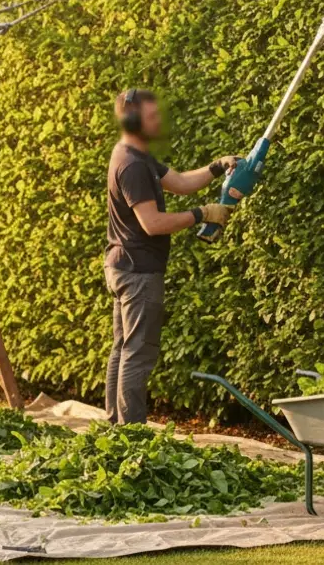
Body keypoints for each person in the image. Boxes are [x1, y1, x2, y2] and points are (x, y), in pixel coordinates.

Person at [104, 89, 237, 424]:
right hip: (138, 272)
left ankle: (114, 429)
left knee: (123, 350)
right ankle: (131, 435)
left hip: (124, 265)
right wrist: (202, 213)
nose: (158, 122)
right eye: (152, 118)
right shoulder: (132, 165)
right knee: (137, 354)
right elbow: (153, 224)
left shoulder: (137, 154)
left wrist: (216, 167)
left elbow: (178, 182)